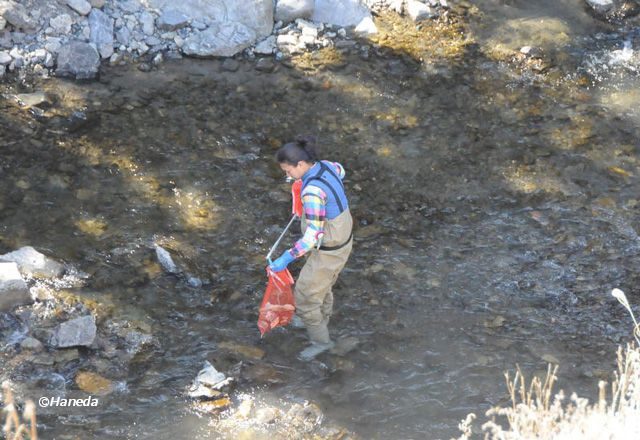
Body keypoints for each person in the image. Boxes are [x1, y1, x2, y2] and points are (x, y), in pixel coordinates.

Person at [269, 136, 353, 360]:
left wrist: (286, 258)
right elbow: (341, 171)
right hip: (343, 239)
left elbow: (311, 237)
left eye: (288, 171)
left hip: (329, 249)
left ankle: (321, 342)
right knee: (323, 284)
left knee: (305, 297)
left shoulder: (312, 193)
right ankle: (319, 318)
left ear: (301, 165)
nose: (287, 176)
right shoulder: (326, 165)